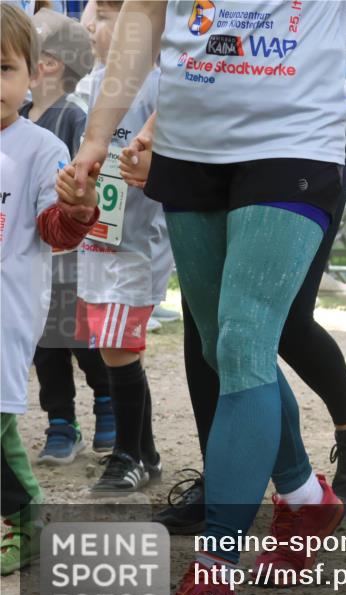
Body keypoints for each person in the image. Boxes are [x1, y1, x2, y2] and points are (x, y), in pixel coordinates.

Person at [73, 0, 346, 595]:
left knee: (243, 337)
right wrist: (102, 136)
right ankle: (304, 494)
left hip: (296, 141)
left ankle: (215, 573)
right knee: (217, 345)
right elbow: (146, 12)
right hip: (189, 145)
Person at [120, 0, 346, 535]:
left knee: (270, 324)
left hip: (300, 136)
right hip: (203, 144)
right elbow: (198, 45)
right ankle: (251, 480)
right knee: (213, 329)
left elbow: (326, 50)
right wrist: (156, 125)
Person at [0, 2, 101, 575]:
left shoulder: (42, 149)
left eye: (4, 68)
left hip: (6, 309)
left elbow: (54, 231)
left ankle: (27, 514)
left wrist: (77, 207)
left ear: (34, 72)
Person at [71, 0, 166, 495]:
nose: (91, 26)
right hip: (96, 241)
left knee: (119, 344)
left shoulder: (158, 85)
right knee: (113, 346)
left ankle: (128, 453)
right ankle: (144, 451)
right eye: (93, 14)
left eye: (107, 16)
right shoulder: (89, 88)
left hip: (139, 243)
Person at [21, 8, 114, 463]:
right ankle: (61, 421)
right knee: (44, 344)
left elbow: (92, 187)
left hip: (73, 261)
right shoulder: (13, 119)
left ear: (47, 65)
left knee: (80, 337)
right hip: (31, 260)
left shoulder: (74, 120)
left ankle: (107, 400)